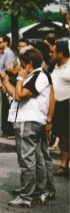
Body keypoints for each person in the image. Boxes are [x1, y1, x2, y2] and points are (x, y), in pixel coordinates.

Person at [0, 47, 51, 207]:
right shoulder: (34, 76)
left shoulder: (38, 76)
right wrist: (4, 78)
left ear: (30, 64)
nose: (20, 67)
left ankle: (27, 195)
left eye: (22, 64)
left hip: (28, 121)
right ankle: (38, 191)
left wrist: (20, 78)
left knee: (27, 159)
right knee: (37, 158)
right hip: (32, 120)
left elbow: (20, 95)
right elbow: (16, 93)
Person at [49, 43, 70, 177]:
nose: (50, 54)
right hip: (58, 107)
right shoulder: (56, 66)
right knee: (62, 137)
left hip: (67, 105)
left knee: (68, 137)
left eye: (52, 52)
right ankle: (63, 166)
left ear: (61, 53)